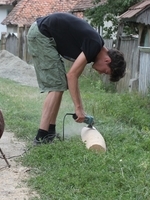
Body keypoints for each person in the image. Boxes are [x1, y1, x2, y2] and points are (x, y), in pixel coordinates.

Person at [27, 12, 126, 145]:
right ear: (107, 60)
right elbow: (72, 75)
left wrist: (79, 107)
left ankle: (50, 132)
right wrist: (79, 108)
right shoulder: (94, 45)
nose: (102, 73)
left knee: (59, 84)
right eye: (106, 72)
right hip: (41, 33)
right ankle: (41, 137)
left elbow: (71, 76)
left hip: (43, 33)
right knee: (56, 85)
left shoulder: (95, 46)